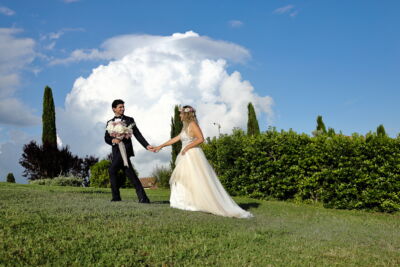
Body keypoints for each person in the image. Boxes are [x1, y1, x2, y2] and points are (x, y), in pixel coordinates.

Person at [154, 105, 253, 218]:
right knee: (183, 178)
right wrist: (160, 146)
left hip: (192, 154)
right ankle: (183, 202)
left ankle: (195, 202)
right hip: (185, 155)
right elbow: (175, 139)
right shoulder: (184, 127)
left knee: (195, 178)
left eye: (181, 113)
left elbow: (201, 138)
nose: (179, 116)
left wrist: (187, 147)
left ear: (186, 114)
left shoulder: (193, 124)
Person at [104, 99, 154, 203]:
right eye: (120, 107)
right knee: (130, 174)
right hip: (116, 152)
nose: (123, 109)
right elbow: (106, 138)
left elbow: (137, 134)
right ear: (114, 109)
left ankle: (116, 197)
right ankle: (143, 198)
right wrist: (113, 140)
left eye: (123, 107)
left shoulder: (130, 120)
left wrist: (146, 145)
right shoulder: (109, 122)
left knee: (112, 170)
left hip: (125, 151)